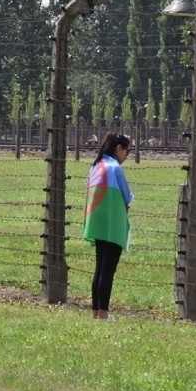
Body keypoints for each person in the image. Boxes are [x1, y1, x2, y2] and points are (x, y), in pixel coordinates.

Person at [83, 133, 133, 320]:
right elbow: (127, 197)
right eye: (127, 150)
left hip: (97, 223)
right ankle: (103, 314)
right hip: (113, 224)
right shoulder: (115, 168)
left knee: (99, 267)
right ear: (118, 148)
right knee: (108, 270)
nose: (127, 155)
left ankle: (96, 312)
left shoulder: (95, 166)